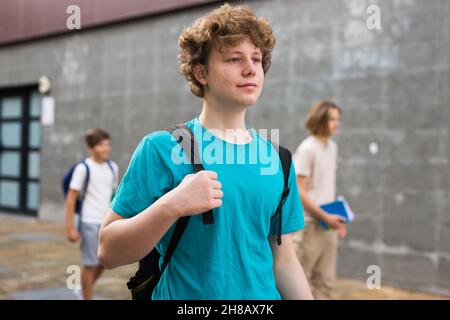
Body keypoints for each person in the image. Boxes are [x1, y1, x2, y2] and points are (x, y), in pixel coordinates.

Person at [98, 3, 312, 300]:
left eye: (256, 59)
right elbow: (108, 252)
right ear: (201, 73)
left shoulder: (279, 160)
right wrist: (172, 205)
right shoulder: (162, 149)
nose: (251, 68)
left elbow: (284, 260)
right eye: (234, 59)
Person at [292, 100, 347, 300]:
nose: (337, 124)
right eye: (332, 119)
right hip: (309, 227)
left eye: (338, 119)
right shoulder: (307, 149)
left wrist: (338, 221)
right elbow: (299, 192)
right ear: (320, 119)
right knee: (301, 283)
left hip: (328, 226)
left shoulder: (332, 147)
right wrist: (326, 217)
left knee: (325, 282)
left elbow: (325, 189)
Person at [65, 128, 119, 300]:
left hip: (106, 222)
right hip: (89, 221)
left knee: (105, 262)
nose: (106, 148)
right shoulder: (83, 168)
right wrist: (70, 228)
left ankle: (83, 289)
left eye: (108, 144)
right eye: (101, 145)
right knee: (90, 264)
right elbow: (71, 198)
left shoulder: (113, 167)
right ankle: (86, 296)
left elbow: (115, 196)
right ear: (90, 148)